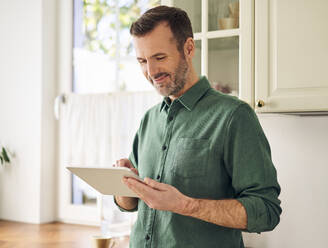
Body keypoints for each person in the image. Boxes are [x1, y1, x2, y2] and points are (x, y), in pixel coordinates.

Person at [114, 5, 281, 248]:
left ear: (188, 49)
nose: (150, 72)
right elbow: (132, 205)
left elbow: (266, 211)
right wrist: (125, 184)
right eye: (142, 61)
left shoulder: (234, 116)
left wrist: (185, 205)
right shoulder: (149, 119)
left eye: (159, 58)